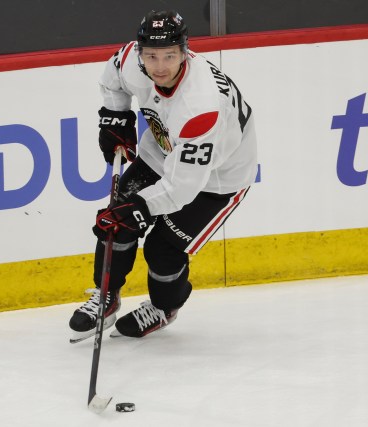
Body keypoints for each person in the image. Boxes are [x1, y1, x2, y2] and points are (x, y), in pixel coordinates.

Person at [69, 10, 258, 341]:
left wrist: (140, 210)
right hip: (165, 152)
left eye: (169, 55)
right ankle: (107, 296)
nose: (159, 66)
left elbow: (182, 188)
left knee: (162, 248)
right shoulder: (133, 60)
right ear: (140, 51)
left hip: (218, 178)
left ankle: (163, 307)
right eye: (151, 55)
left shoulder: (200, 107)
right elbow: (113, 75)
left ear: (185, 51)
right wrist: (115, 115)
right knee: (117, 219)